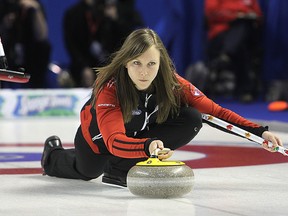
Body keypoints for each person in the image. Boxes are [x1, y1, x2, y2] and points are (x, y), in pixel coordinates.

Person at [41, 28, 283, 187]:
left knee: (192, 117)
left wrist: (259, 132)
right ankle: (52, 156)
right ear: (126, 62)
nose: (144, 72)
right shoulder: (110, 89)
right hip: (99, 141)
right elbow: (113, 140)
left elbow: (216, 113)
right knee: (87, 172)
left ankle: (120, 169)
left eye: (151, 63)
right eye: (136, 63)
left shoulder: (173, 83)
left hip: (135, 135)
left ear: (162, 64)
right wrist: (147, 146)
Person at [63, 0, 143, 87]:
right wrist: (83, 67)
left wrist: (115, 20)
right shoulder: (74, 14)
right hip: (87, 65)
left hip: (115, 63)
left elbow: (129, 40)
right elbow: (72, 45)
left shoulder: (122, 10)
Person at [204, 0, 263, 102]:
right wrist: (235, 16)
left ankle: (226, 55)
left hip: (245, 32)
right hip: (221, 33)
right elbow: (211, 13)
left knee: (243, 26)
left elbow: (258, 15)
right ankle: (246, 90)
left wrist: (246, 17)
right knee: (241, 47)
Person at [0, 0, 51, 89]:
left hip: (30, 58)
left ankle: (37, 88)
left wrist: (36, 10)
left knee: (44, 47)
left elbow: (42, 36)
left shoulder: (33, 6)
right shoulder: (3, 6)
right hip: (6, 54)